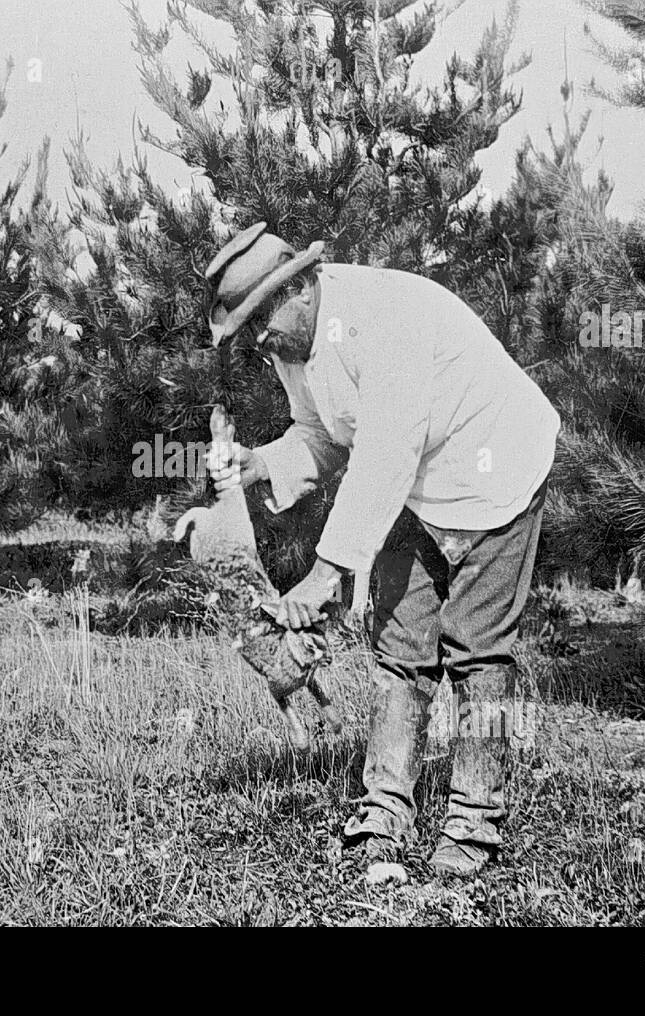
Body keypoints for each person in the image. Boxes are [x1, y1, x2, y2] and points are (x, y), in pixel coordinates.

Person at [205, 223, 560, 876]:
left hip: (495, 465)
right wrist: (258, 463)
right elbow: (319, 434)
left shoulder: (383, 316)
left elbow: (388, 449)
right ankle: (383, 813)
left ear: (304, 285)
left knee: (475, 646)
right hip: (411, 485)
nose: (259, 341)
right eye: (247, 329)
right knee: (399, 648)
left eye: (262, 320)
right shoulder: (291, 344)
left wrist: (325, 572)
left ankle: (475, 827)